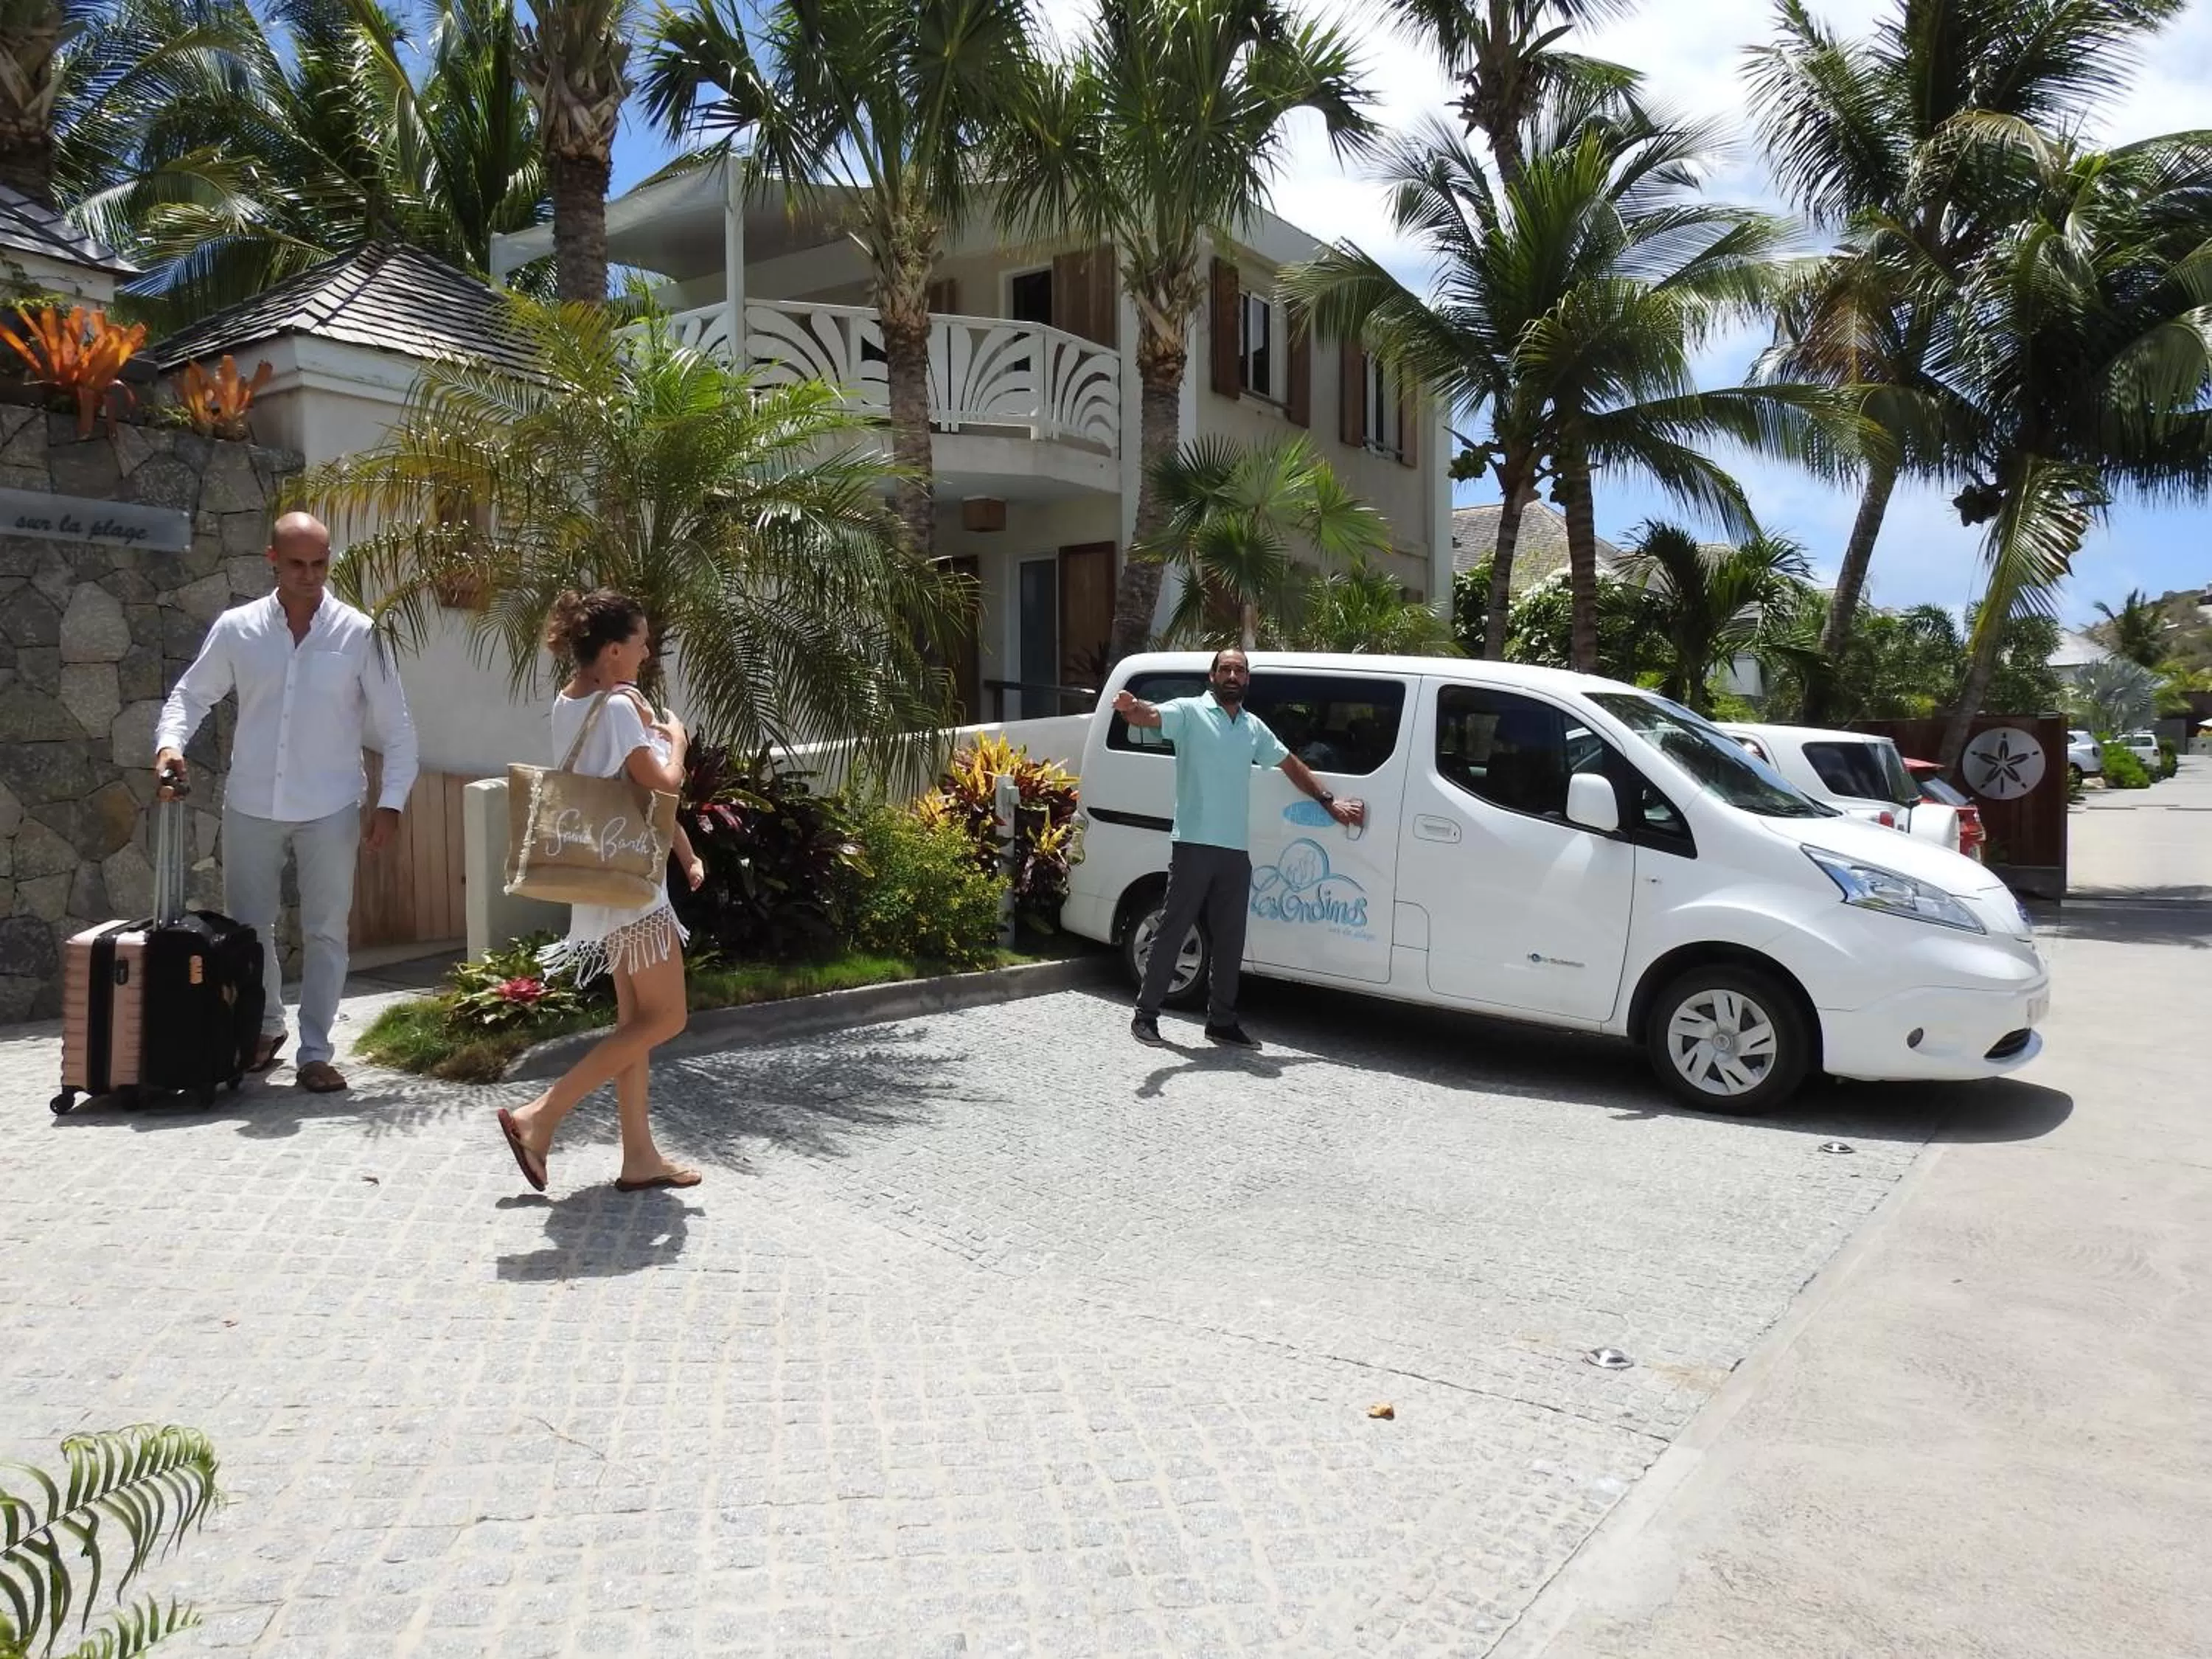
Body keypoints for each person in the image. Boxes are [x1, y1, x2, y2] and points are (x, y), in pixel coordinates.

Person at [154, 511, 417, 1094]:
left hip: (331, 805)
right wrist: (170, 744)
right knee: (251, 930)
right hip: (251, 801)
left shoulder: (358, 633)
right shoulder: (237, 627)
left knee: (327, 931)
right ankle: (265, 1027)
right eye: (297, 564)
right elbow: (191, 696)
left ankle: (316, 1052)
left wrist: (391, 803)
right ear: (273, 561)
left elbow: (397, 728)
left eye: (320, 564)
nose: (310, 575)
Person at [495, 588, 705, 1195]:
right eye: (640, 644)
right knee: (667, 1017)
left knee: (634, 1020)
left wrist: (686, 853)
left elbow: (627, 794)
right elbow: (660, 786)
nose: (646, 654)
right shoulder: (616, 708)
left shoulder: (571, 702)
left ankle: (639, 1157)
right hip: (631, 886)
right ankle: (540, 1117)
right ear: (613, 651)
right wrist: (679, 742)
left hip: (602, 879)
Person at [1117, 647, 1365, 1050]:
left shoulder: (1251, 727)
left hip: (1234, 849)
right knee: (1174, 929)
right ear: (1212, 675)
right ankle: (1146, 1016)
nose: (1233, 675)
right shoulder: (1190, 713)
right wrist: (1132, 707)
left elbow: (1289, 764)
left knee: (1231, 938)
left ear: (1247, 679)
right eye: (1226, 669)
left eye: (1240, 670)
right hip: (1194, 842)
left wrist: (1328, 801)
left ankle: (1222, 1022)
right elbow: (1151, 715)